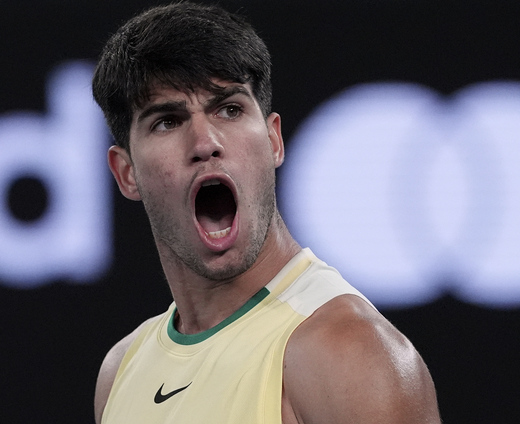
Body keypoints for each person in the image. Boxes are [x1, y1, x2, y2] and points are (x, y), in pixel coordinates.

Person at [91, 2, 441, 423]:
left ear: (274, 140)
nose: (205, 143)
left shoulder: (348, 352)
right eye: (167, 121)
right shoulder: (121, 370)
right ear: (126, 173)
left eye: (230, 109)